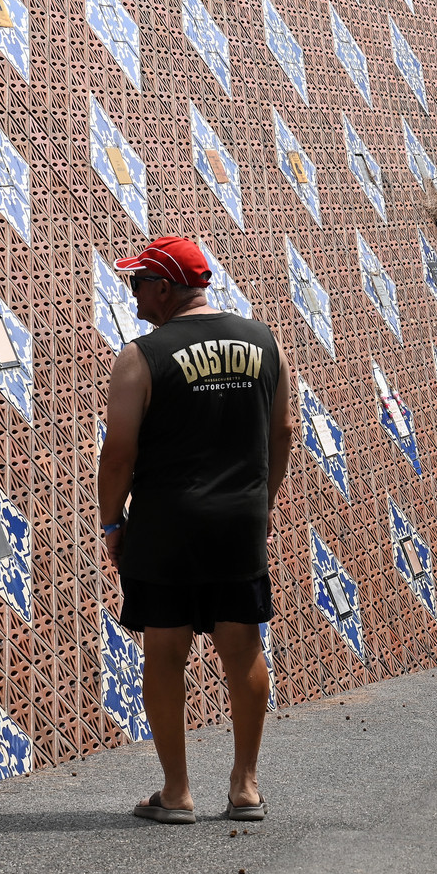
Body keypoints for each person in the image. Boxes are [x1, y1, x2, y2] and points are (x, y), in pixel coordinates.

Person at [98, 236, 294, 823]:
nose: (132, 295)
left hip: (166, 526)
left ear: (164, 288)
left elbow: (118, 454)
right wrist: (262, 503)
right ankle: (245, 786)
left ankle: (177, 791)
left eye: (137, 284)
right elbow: (283, 430)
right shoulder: (265, 342)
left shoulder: (141, 356)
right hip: (240, 520)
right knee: (243, 647)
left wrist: (112, 523)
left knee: (163, 652)